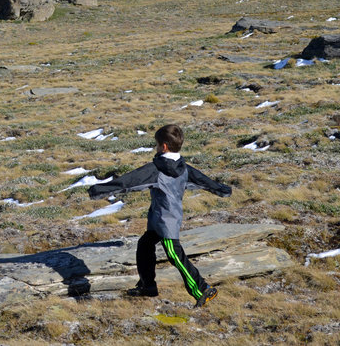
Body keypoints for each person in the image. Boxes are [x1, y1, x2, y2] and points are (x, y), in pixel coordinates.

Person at [88, 124, 232, 307]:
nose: (156, 148)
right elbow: (205, 181)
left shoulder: (157, 169)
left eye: (156, 145)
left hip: (167, 220)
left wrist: (99, 190)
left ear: (163, 146)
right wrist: (223, 190)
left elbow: (130, 180)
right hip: (159, 219)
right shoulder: (184, 168)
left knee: (174, 255)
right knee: (145, 244)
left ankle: (202, 289)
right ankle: (148, 286)